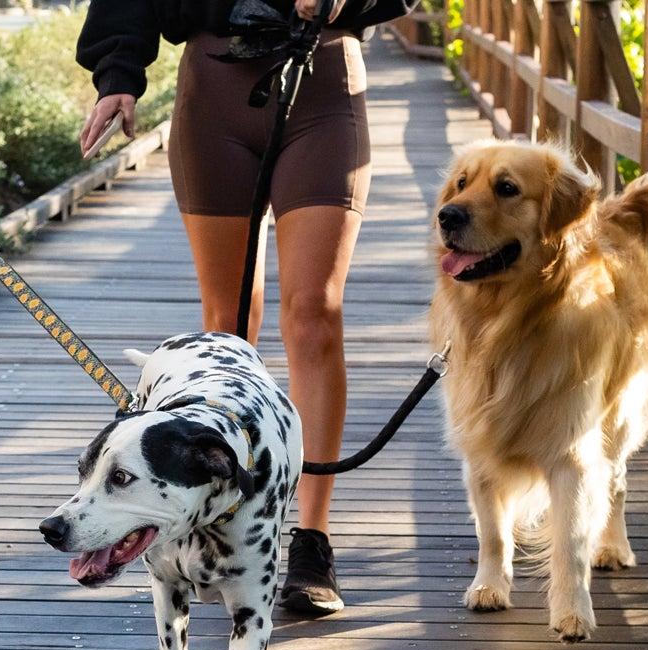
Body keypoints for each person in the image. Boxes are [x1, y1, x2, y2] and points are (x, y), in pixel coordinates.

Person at [77, 0, 406, 616]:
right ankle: (220, 517)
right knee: (226, 324)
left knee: (314, 313)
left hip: (323, 79)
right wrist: (117, 75)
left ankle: (310, 539)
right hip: (213, 84)